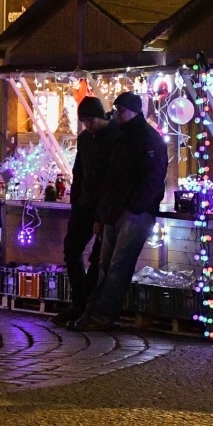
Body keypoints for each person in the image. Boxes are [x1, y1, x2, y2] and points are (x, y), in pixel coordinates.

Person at [74, 91, 168, 332]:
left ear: (133, 111)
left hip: (131, 212)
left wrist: (135, 205)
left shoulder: (144, 138)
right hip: (119, 211)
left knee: (116, 265)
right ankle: (95, 312)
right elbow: (111, 178)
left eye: (121, 111)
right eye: (116, 110)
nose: (117, 114)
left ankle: (100, 314)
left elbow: (151, 178)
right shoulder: (125, 136)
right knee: (107, 264)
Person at [53, 96, 114, 327]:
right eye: (84, 121)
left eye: (91, 120)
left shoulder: (114, 138)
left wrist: (101, 214)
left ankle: (86, 305)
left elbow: (109, 180)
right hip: (84, 205)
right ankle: (79, 302)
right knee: (72, 249)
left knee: (98, 258)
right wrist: (75, 200)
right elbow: (79, 172)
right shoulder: (86, 140)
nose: (88, 125)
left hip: (105, 208)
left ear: (100, 116)